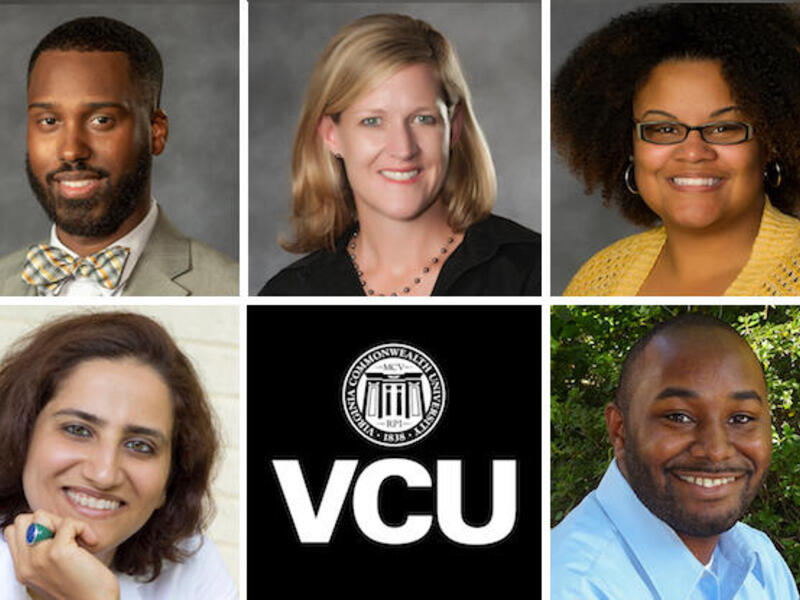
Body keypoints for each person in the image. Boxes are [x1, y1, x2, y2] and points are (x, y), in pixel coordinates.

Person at [259, 13, 540, 296]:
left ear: (453, 128)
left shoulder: (530, 273)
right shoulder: (289, 295)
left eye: (423, 119)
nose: (403, 149)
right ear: (331, 135)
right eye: (372, 121)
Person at [553, 4, 800, 296]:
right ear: (630, 145)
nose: (693, 152)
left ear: (771, 141)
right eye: (664, 129)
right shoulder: (598, 278)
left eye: (723, 128)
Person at [551, 314, 799, 598]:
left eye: (741, 418)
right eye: (679, 417)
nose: (716, 451)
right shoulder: (570, 584)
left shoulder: (761, 562)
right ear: (620, 430)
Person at [0, 312, 237, 599]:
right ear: (21, 438)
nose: (104, 474)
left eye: (140, 446)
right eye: (78, 430)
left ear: (171, 477)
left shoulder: (193, 566)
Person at [0, 16, 237, 296]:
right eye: (50, 121)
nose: (72, 151)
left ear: (156, 132)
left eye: (101, 120)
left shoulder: (229, 288)